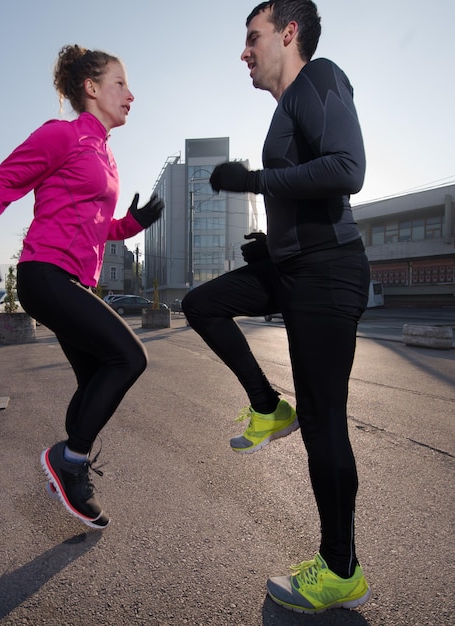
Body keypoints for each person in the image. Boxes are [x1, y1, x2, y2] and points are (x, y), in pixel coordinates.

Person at [182, 0, 371, 614]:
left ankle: (341, 569)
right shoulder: (288, 108)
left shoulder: (321, 78)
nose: (244, 51)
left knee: (324, 422)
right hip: (292, 267)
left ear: (289, 34)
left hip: (329, 272)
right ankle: (267, 405)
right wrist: (273, 240)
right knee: (201, 304)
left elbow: (348, 168)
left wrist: (257, 183)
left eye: (253, 37)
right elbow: (308, 187)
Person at [0, 45, 164, 530]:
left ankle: (68, 468)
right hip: (43, 274)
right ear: (91, 88)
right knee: (130, 358)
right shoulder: (63, 136)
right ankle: (69, 461)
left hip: (73, 280)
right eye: (121, 84)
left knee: (95, 379)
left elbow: (97, 227)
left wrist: (131, 224)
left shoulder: (104, 154)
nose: (131, 95)